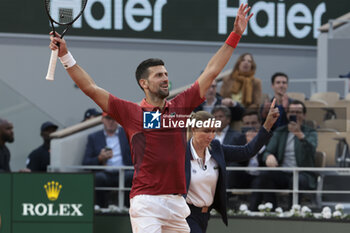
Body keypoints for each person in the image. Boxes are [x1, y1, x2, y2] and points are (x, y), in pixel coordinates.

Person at [49, 4, 253, 232]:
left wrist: (235, 34)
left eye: (166, 74)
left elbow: (212, 71)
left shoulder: (181, 106)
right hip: (147, 203)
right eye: (158, 75)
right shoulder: (130, 112)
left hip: (177, 203)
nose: (165, 78)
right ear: (143, 83)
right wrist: (65, 55)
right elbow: (90, 87)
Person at [185, 100, 278, 233]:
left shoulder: (216, 148)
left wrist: (267, 125)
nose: (210, 135)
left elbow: (247, 151)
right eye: (206, 131)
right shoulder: (181, 153)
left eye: (213, 130)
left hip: (205, 215)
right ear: (194, 130)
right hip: (186, 215)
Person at [249, 100, 318, 211]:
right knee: (265, 175)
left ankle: (293, 212)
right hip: (283, 173)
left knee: (297, 180)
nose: (294, 115)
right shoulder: (280, 132)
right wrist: (268, 156)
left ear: (304, 115)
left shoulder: (311, 132)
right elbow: (268, 151)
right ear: (287, 114)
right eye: (292, 112)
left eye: (298, 112)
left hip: (303, 174)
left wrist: (299, 135)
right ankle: (272, 210)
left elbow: (311, 151)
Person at [83, 112, 133, 208]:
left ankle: (128, 208)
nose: (111, 122)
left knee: (132, 176)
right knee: (98, 178)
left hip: (124, 172)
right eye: (108, 119)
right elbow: (85, 162)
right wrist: (100, 158)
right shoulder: (94, 137)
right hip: (105, 173)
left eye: (114, 119)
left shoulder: (127, 134)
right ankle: (101, 209)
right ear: (102, 120)